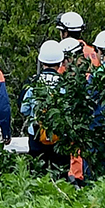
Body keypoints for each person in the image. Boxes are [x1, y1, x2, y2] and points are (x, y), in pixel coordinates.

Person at [21, 39, 67, 173]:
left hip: (35, 135)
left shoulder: (33, 82)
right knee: (60, 174)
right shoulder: (65, 84)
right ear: (60, 62)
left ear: (41, 61)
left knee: (37, 173)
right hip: (60, 137)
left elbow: (24, 109)